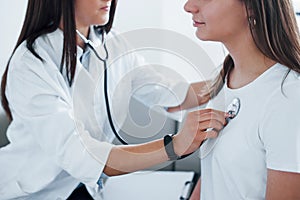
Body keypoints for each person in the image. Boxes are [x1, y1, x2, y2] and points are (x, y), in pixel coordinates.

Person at [0, 0, 227, 199]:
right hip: (34, 192)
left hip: (82, 188)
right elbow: (82, 155)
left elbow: (169, 93)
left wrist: (228, 72)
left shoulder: (110, 43)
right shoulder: (31, 64)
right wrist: (174, 145)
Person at [183, 0, 300, 199]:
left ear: (252, 6)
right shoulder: (226, 78)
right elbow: (216, 174)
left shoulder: (289, 97)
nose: (189, 6)